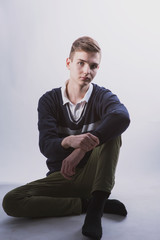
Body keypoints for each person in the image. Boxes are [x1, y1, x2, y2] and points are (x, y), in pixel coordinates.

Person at [2, 36, 130, 240]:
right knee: (11, 201)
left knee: (113, 132)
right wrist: (71, 141)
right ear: (69, 63)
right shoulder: (49, 101)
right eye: (81, 63)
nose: (87, 71)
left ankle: (95, 211)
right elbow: (46, 145)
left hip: (94, 176)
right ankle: (86, 204)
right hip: (62, 176)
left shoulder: (102, 97)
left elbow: (122, 116)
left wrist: (81, 150)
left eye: (94, 66)